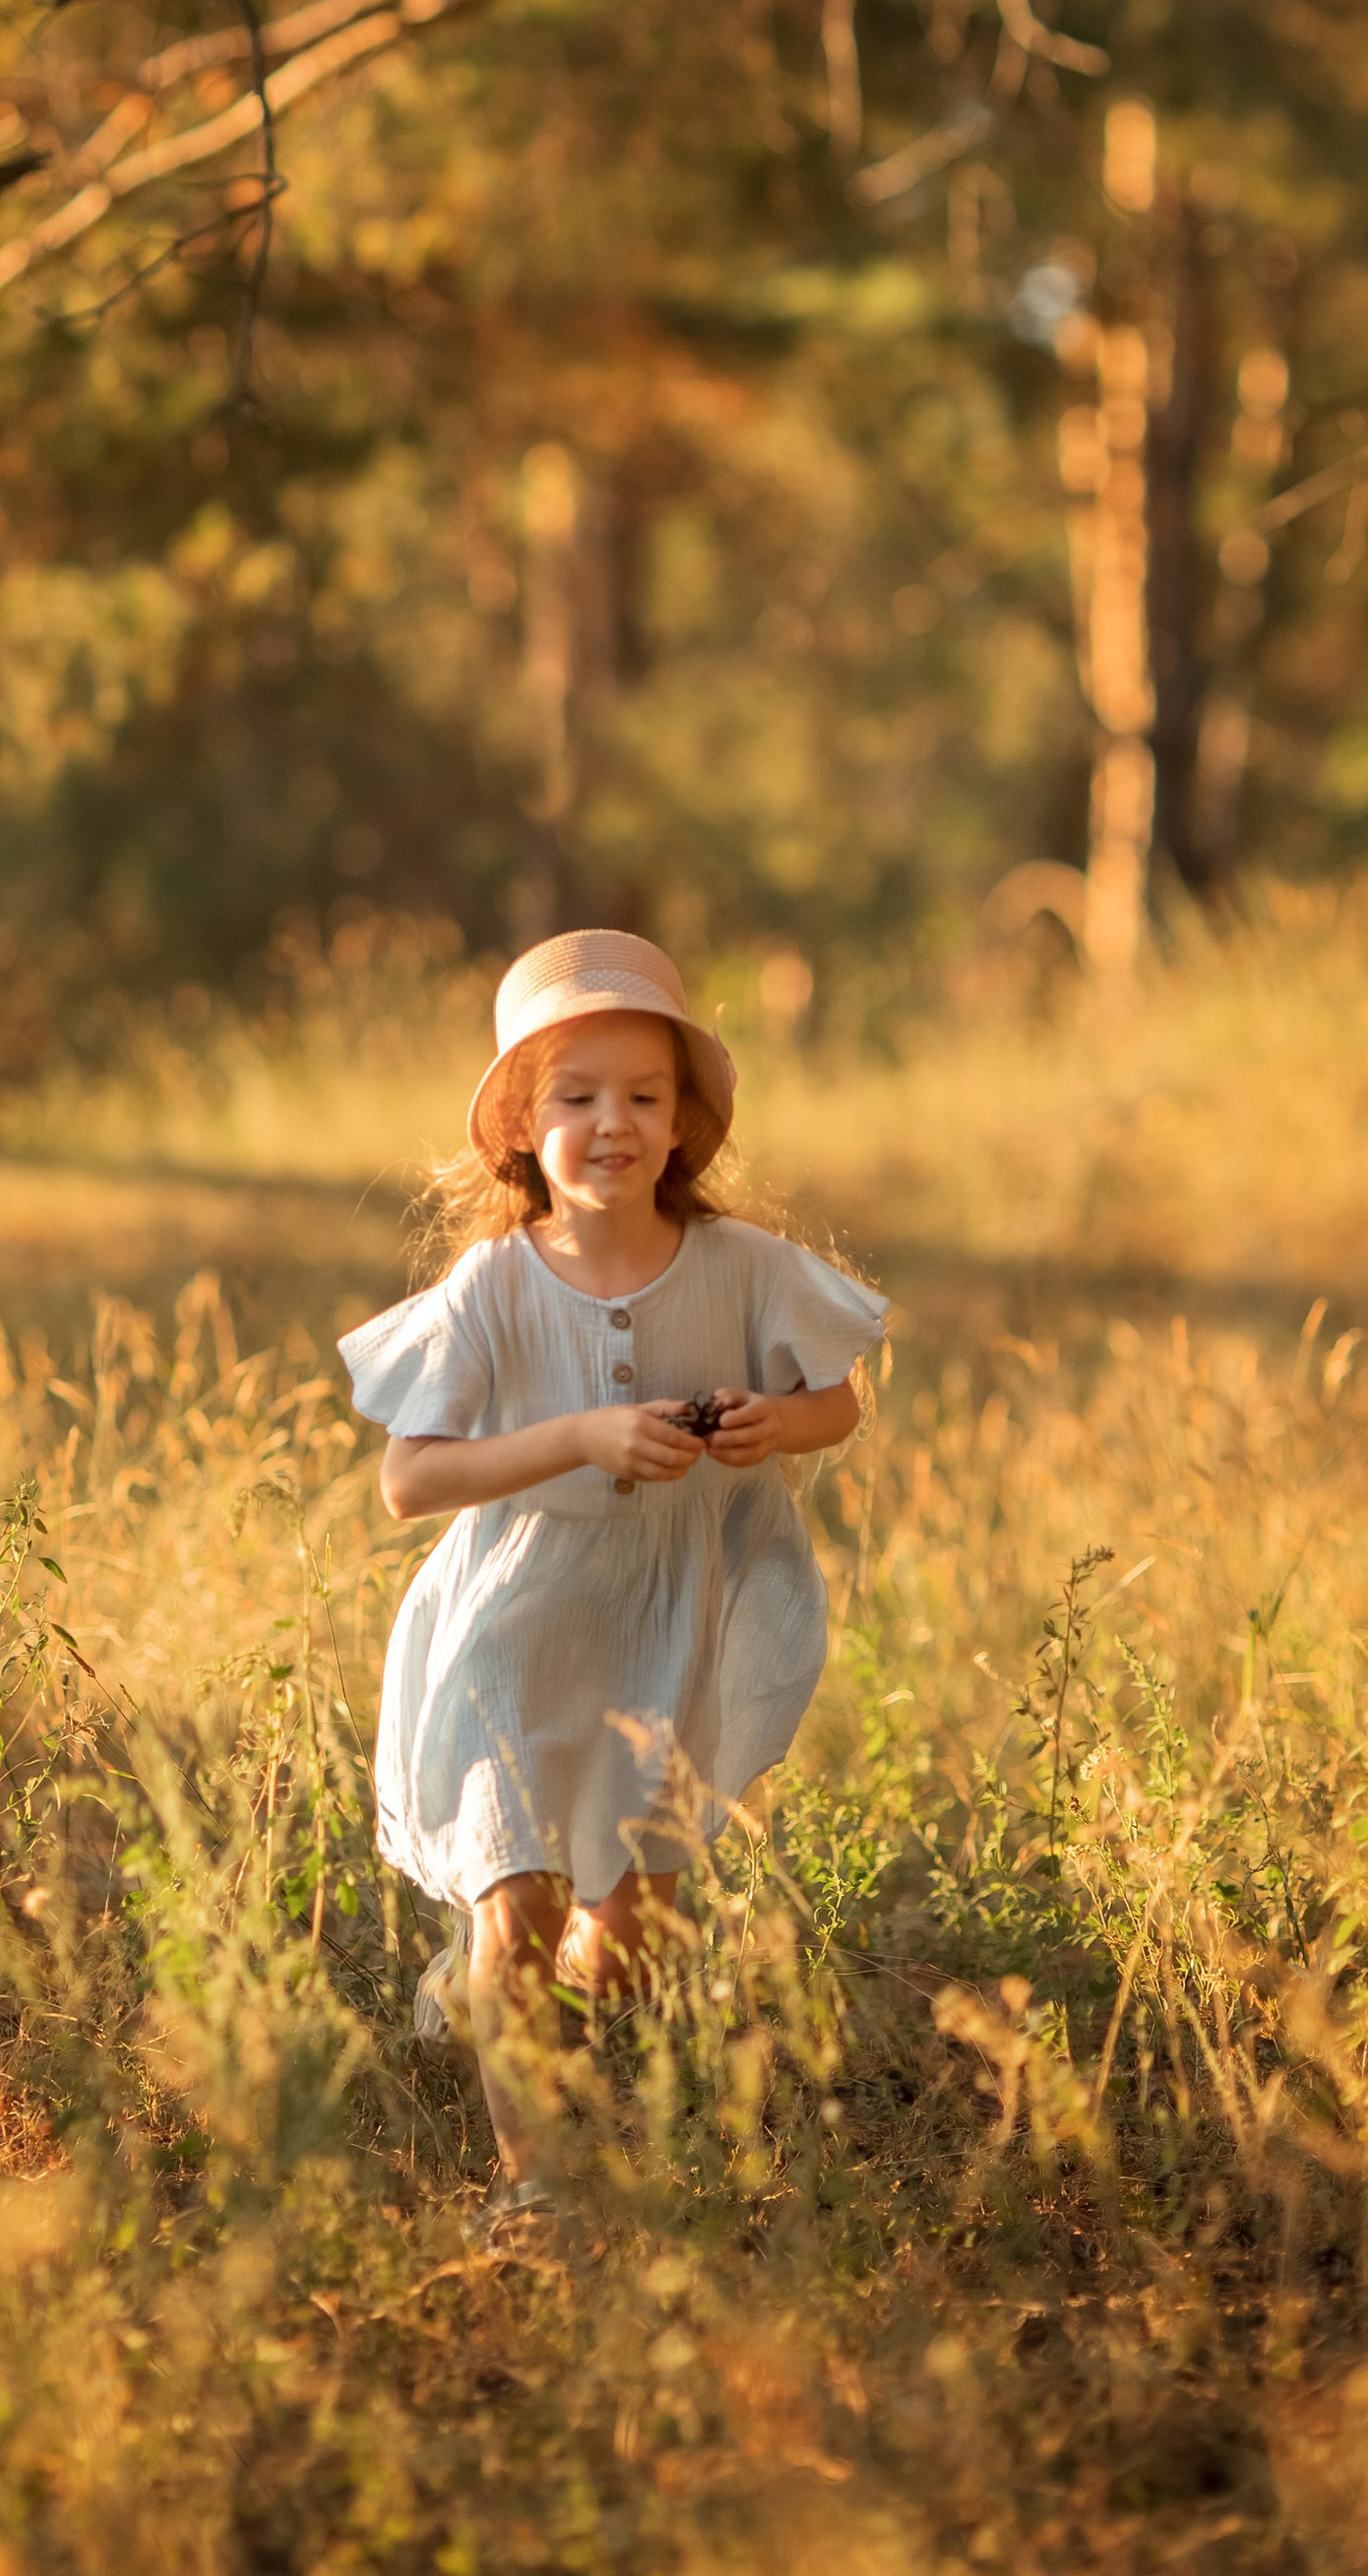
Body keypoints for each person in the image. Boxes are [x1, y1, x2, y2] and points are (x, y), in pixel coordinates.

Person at [340, 927, 888, 2214]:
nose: (613, 1124)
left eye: (644, 1096)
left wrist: (774, 1420)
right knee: (520, 1899)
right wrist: (577, 1437)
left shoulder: (740, 1266)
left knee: (631, 1933)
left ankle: (502, 2000)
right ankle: (537, 2187)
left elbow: (835, 1406)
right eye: (577, 1098)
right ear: (523, 1126)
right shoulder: (494, 1289)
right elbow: (409, 1480)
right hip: (516, 1632)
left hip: (664, 1626)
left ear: (685, 1120)